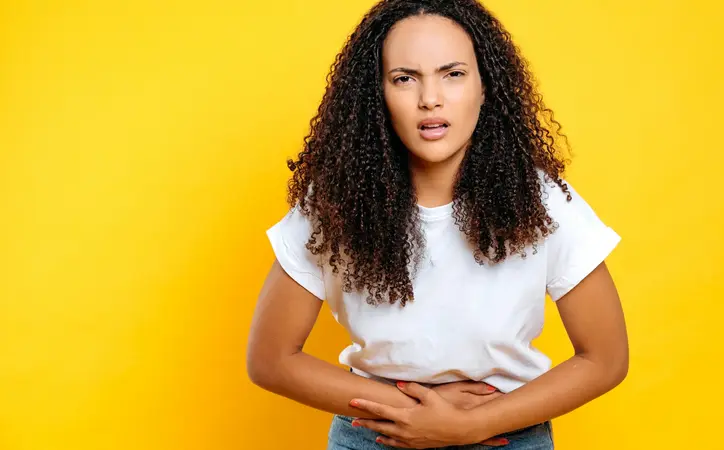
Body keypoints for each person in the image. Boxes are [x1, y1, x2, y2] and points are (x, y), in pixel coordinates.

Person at [246, 0, 629, 448]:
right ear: (378, 95)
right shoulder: (334, 204)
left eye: (453, 74)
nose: (430, 98)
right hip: (377, 434)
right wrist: (417, 415)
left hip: (505, 435)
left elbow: (606, 358)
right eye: (405, 78)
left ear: (486, 87)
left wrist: (473, 425)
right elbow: (270, 360)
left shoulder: (543, 201)